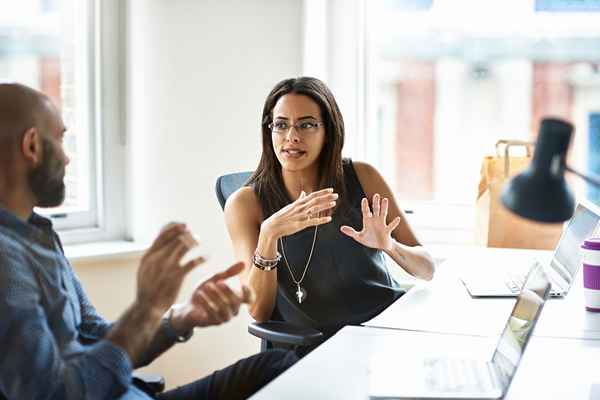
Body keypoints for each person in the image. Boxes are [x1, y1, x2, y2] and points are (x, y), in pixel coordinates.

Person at [0, 83, 297, 400]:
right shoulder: (6, 259)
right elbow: (56, 394)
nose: (67, 158)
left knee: (281, 366)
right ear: (32, 146)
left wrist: (181, 317)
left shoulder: (38, 233)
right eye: (59, 139)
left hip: (132, 393)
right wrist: (147, 306)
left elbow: (100, 339)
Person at [224, 76, 435, 348]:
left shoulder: (363, 176)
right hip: (317, 347)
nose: (292, 137)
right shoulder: (245, 204)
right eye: (281, 125)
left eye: (307, 124)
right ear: (269, 131)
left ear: (329, 131)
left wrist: (390, 246)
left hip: (385, 332)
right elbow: (258, 311)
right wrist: (269, 235)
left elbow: (427, 269)